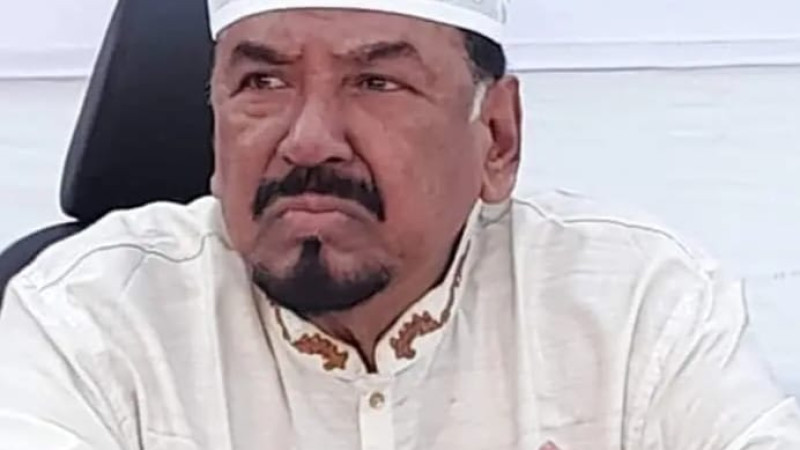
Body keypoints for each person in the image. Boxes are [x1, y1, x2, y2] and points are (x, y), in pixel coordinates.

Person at [0, 0, 798, 448]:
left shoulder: (636, 309)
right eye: (263, 83)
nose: (308, 138)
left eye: (376, 82)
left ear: (497, 138)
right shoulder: (89, 320)